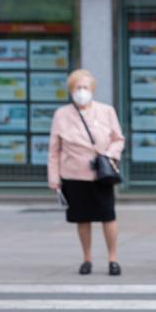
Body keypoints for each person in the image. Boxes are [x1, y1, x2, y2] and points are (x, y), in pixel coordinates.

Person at [47, 69, 125, 276]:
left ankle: (113, 258)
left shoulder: (106, 111)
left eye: (85, 87)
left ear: (92, 90)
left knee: (108, 216)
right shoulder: (61, 115)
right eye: (77, 88)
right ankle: (87, 258)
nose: (82, 91)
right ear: (71, 90)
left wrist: (109, 154)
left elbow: (118, 138)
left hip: (101, 173)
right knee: (82, 218)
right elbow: (54, 149)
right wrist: (54, 178)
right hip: (74, 174)